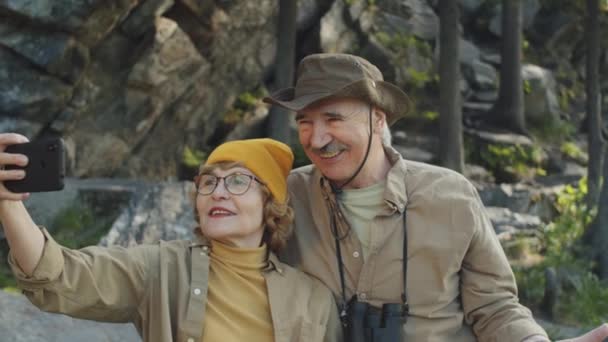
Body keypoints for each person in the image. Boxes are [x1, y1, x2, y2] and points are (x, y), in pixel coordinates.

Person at [264, 53, 608, 342]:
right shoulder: (285, 195)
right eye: (304, 122)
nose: (317, 138)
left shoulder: (450, 196)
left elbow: (494, 307)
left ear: (377, 119)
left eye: (333, 118)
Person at [0, 135, 342, 342]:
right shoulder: (162, 268)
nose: (218, 192)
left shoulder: (314, 301)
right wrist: (8, 203)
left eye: (237, 181)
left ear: (271, 203)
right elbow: (57, 275)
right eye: (209, 182)